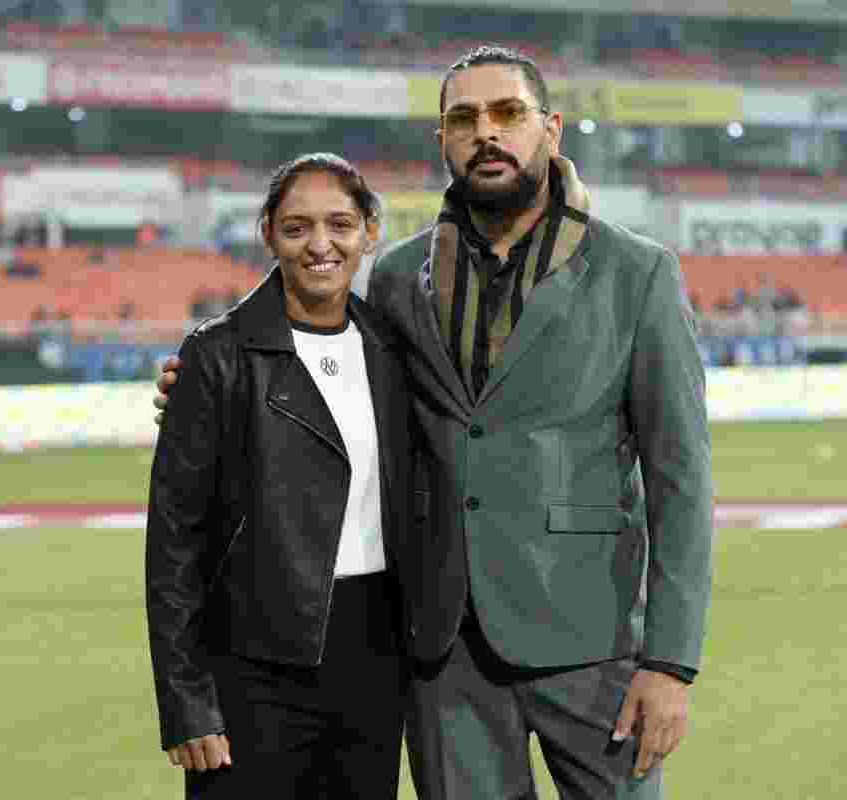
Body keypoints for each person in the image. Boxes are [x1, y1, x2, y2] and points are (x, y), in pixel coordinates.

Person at [155, 46, 713, 800]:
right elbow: (327, 373)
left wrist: (670, 663)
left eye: (508, 114)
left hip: (594, 640)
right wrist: (212, 386)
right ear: (442, 140)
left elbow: (680, 477)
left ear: (550, 129)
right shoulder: (395, 279)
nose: (487, 133)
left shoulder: (638, 273)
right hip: (442, 649)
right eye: (464, 118)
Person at [145, 153, 413, 800]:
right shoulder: (216, 356)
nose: (321, 245)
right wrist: (187, 702)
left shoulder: (394, 347)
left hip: (375, 660)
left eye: (340, 224)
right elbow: (174, 542)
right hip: (251, 662)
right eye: (297, 228)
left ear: (369, 230)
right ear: (268, 233)